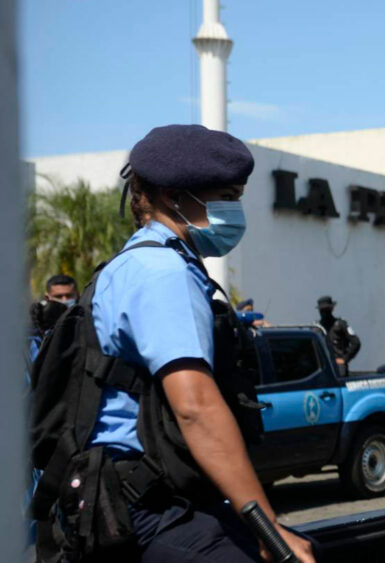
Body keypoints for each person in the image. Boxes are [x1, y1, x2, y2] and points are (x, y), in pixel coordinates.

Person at [31, 125, 313, 562]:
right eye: (226, 196)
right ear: (172, 196)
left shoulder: (137, 262)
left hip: (130, 498)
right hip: (143, 508)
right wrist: (268, 528)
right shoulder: (163, 273)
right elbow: (194, 406)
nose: (235, 210)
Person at [316, 296, 361, 375]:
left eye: (327, 310)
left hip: (337, 365)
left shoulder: (340, 325)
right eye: (322, 310)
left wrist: (345, 359)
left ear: (331, 309)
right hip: (322, 366)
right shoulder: (316, 328)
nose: (324, 313)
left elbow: (356, 342)